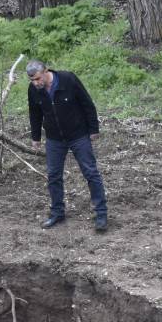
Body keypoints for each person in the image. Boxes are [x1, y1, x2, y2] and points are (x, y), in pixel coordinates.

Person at [26, 59, 108, 232]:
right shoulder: (34, 90)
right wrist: (36, 137)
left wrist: (93, 128)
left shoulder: (68, 79)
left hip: (78, 134)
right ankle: (57, 212)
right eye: (32, 80)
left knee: (91, 172)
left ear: (46, 71)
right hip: (54, 139)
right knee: (53, 176)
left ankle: (101, 213)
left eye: (38, 79)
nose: (36, 83)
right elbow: (34, 114)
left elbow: (87, 103)